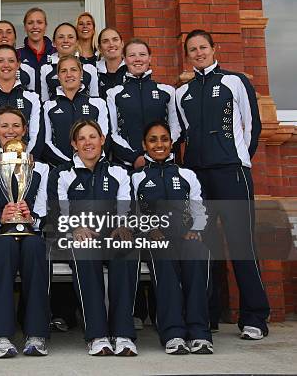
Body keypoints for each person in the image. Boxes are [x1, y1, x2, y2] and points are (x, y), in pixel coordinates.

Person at [176, 28, 269, 340]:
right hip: (199, 180)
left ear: (214, 49)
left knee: (241, 243)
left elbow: (251, 125)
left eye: (203, 47)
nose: (199, 53)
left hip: (232, 174)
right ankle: (209, 316)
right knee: (204, 245)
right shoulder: (181, 94)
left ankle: (255, 317)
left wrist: (238, 158)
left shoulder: (235, 81)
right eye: (193, 49)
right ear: (187, 55)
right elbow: (180, 138)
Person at [47, 120, 138, 356]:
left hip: (111, 236)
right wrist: (75, 228)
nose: (88, 142)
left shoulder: (119, 172)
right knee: (85, 251)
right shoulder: (62, 174)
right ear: (74, 145)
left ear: (102, 140)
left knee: (127, 250)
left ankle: (123, 334)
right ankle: (97, 335)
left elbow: (126, 209)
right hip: (76, 237)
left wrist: (123, 227)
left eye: (92, 137)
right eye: (82, 139)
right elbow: (57, 214)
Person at [132, 121, 213, 355]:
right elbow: (132, 212)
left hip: (186, 236)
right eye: (153, 140)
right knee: (164, 258)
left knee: (199, 254)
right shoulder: (136, 177)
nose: (160, 144)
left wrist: (196, 230)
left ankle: (199, 332)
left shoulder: (187, 174)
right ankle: (173, 333)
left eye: (164, 139)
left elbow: (200, 208)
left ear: (171, 143)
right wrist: (149, 230)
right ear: (144, 145)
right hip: (154, 240)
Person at [0, 107, 50, 358]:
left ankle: (36, 333)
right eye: (4, 126)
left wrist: (32, 219)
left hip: (31, 234)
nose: (10, 131)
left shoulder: (40, 168)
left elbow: (45, 211)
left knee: (35, 248)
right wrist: (0, 219)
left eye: (16, 126)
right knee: (3, 248)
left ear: (25, 129)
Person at [106, 38, 180, 169]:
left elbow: (176, 127)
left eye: (142, 54)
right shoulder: (113, 93)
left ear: (150, 58)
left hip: (163, 163)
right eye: (132, 55)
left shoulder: (167, 91)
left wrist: (160, 151)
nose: (137, 59)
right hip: (128, 166)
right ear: (124, 59)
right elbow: (112, 133)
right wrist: (134, 158)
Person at [0, 44, 43, 160]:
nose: (6, 65)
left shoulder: (33, 97)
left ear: (18, 65)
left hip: (26, 164)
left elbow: (37, 137)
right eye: (0, 61)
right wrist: (1, 162)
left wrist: (23, 160)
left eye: (11, 61)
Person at [43, 54, 108, 166]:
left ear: (81, 73)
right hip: (60, 169)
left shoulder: (98, 104)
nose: (69, 75)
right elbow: (46, 142)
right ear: (58, 76)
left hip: (93, 168)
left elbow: (104, 137)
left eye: (73, 70)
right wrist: (69, 163)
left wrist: (88, 162)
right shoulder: (48, 106)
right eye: (63, 71)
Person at [39, 22, 99, 101]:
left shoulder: (90, 69)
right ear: (53, 42)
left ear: (77, 42)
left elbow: (95, 101)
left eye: (70, 37)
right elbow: (44, 101)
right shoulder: (45, 69)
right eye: (61, 37)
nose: (66, 41)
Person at [17, 7, 56, 75]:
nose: (35, 27)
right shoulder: (17, 54)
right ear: (25, 27)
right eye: (30, 23)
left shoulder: (56, 53)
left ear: (45, 26)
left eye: (39, 22)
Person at [96, 27, 127, 100]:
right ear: (100, 48)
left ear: (122, 44)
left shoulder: (132, 69)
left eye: (115, 40)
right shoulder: (94, 71)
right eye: (105, 41)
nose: (111, 44)